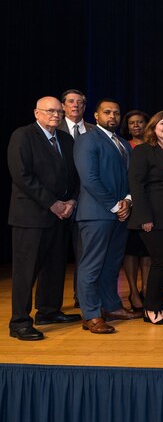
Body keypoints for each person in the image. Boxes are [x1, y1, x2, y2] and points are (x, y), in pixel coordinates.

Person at [8, 97, 81, 341]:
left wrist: (71, 201)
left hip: (61, 215)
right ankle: (19, 322)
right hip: (31, 216)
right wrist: (52, 203)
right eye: (50, 111)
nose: (56, 115)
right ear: (36, 112)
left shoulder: (65, 139)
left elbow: (75, 175)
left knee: (55, 267)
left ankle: (48, 311)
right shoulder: (23, 135)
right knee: (26, 272)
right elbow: (22, 175)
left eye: (59, 111)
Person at [74, 98, 142, 334]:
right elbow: (89, 178)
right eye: (107, 112)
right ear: (96, 115)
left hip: (121, 214)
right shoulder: (87, 139)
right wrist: (114, 205)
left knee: (112, 265)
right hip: (96, 214)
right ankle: (91, 314)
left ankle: (111, 306)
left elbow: (131, 177)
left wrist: (128, 201)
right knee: (91, 266)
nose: (112, 116)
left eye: (116, 112)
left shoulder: (122, 143)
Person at [127, 111, 163, 325]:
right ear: (153, 126)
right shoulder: (144, 151)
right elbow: (137, 185)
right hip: (153, 217)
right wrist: (144, 217)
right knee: (159, 262)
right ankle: (151, 308)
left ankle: (157, 304)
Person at [57, 89, 95, 308]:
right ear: (63, 106)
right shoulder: (53, 129)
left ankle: (83, 299)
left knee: (85, 256)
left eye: (80, 102)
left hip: (88, 203)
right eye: (71, 101)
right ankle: (51, 306)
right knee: (55, 256)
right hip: (59, 205)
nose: (75, 105)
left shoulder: (93, 131)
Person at [119, 110, 151, 313]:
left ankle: (147, 289)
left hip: (151, 203)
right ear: (128, 126)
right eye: (132, 123)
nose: (137, 125)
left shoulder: (153, 146)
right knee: (131, 251)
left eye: (140, 121)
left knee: (148, 251)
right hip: (131, 204)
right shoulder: (123, 146)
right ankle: (133, 292)